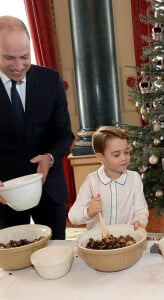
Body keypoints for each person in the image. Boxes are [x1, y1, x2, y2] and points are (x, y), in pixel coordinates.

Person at [0, 16, 74, 239]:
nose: (18, 66)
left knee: (58, 260)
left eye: (25, 57)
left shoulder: (50, 80)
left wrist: (50, 158)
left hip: (49, 192)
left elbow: (64, 134)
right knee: (13, 270)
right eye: (9, 58)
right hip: (4, 199)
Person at [68, 126, 149, 230]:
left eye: (126, 152)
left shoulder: (134, 179)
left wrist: (139, 221)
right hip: (99, 242)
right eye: (116, 155)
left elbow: (141, 210)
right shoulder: (92, 181)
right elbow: (73, 216)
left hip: (126, 239)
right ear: (100, 158)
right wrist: (89, 212)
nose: (124, 158)